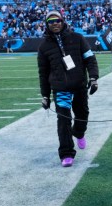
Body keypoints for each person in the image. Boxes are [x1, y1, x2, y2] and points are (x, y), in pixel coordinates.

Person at [37, 10, 99, 167]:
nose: (55, 23)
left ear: (62, 21)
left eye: (57, 20)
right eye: (51, 21)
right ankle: (66, 153)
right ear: (47, 24)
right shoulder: (44, 46)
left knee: (82, 114)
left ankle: (78, 132)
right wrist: (45, 96)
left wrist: (93, 78)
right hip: (60, 89)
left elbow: (90, 59)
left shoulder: (78, 38)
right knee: (63, 121)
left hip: (79, 85)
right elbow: (43, 74)